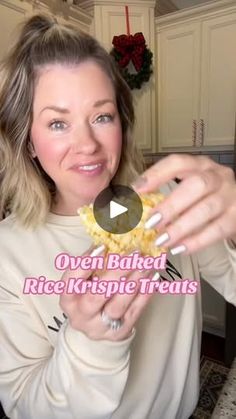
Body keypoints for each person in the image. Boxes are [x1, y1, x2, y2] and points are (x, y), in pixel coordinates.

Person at [0, 13, 236, 419]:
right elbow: (24, 406)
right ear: (30, 143)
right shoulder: (8, 253)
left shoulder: (168, 202)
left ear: (122, 125)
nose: (87, 144)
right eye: (58, 123)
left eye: (102, 116)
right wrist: (92, 340)